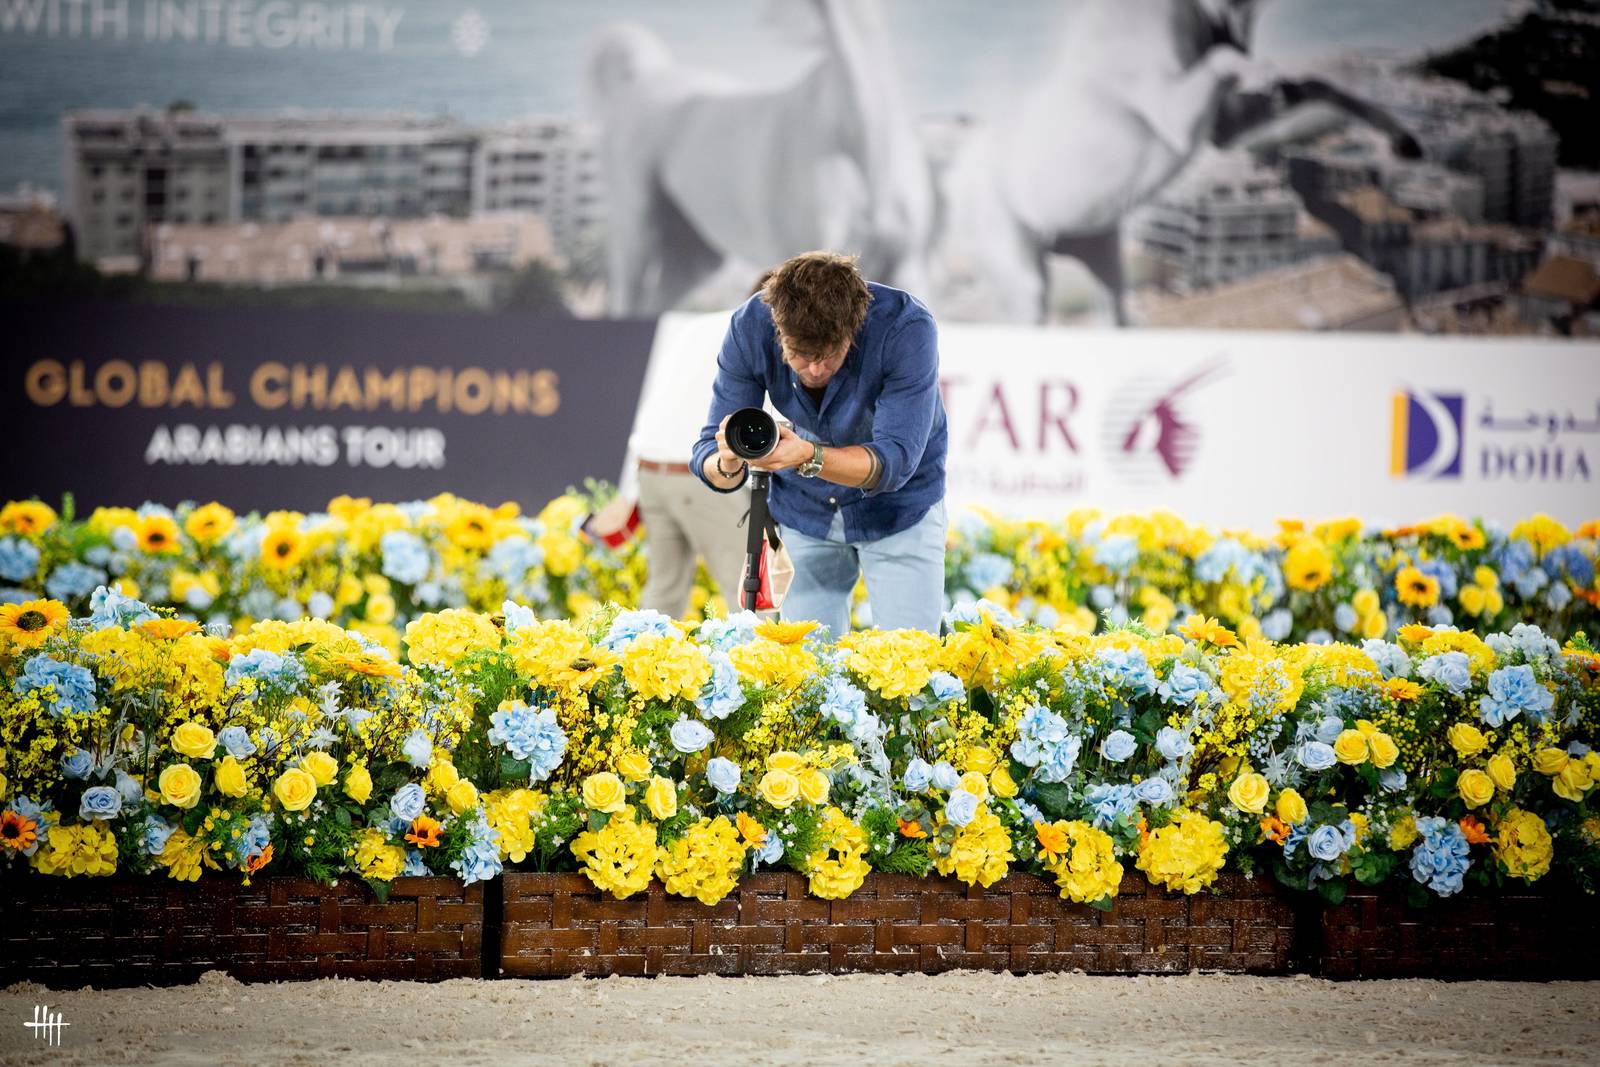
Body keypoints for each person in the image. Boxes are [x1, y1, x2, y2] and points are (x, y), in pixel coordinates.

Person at [692, 251, 947, 638]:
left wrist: (808, 456)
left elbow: (894, 461)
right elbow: (707, 452)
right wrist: (729, 463)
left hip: (900, 510)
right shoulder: (750, 326)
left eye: (828, 356)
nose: (814, 369)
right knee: (808, 676)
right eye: (800, 355)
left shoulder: (905, 327)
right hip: (804, 512)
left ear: (853, 330)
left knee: (916, 677)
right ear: (778, 331)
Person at [628, 319, 752, 619]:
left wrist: (628, 490)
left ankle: (642, 664)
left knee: (662, 596)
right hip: (700, 473)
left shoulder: (694, 326)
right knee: (749, 596)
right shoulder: (753, 331)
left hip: (651, 469)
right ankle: (760, 666)